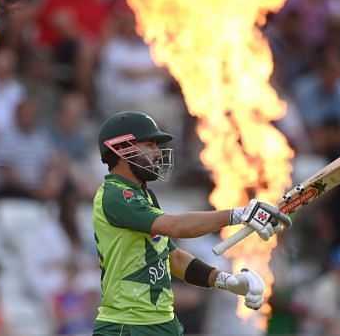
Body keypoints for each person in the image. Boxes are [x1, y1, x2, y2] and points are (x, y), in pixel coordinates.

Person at [91, 111, 291, 335]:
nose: (158, 153)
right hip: (127, 325)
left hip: (163, 323)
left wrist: (226, 281)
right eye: (150, 145)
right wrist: (238, 214)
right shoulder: (115, 195)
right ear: (121, 148)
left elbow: (173, 258)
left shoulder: (145, 196)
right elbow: (177, 227)